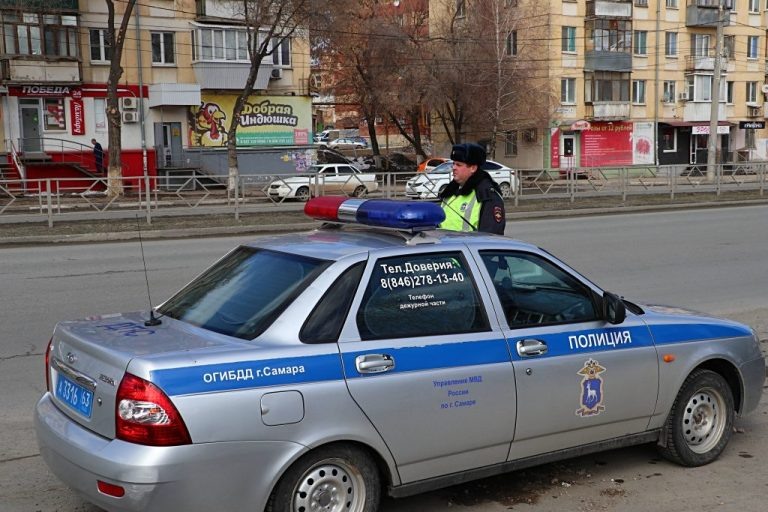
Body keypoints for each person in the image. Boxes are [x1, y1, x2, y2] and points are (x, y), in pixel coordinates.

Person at [438, 142, 506, 234]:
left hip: (469, 244)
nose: (453, 168)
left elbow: (491, 236)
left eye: (459, 165)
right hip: (446, 243)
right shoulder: (450, 191)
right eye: (453, 164)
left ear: (473, 168)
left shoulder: (486, 194)